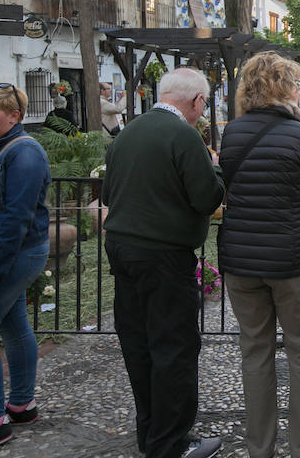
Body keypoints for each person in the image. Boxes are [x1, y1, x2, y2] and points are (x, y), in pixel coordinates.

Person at [101, 68, 225, 458]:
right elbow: (207, 198)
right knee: (174, 348)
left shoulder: (128, 133)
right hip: (164, 256)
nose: (202, 113)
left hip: (122, 249)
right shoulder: (184, 135)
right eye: (203, 105)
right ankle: (170, 444)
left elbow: (108, 192)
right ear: (195, 101)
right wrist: (216, 166)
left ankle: (150, 435)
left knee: (138, 344)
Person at [218, 52, 300, 458]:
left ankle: (260, 448)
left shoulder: (231, 134)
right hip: (291, 262)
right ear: (285, 88)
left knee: (255, 351)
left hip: (241, 262)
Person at [0, 84, 50, 454]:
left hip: (11, 256)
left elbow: (15, 219)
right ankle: (21, 406)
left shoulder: (24, 153)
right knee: (14, 325)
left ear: (13, 115)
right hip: (10, 254)